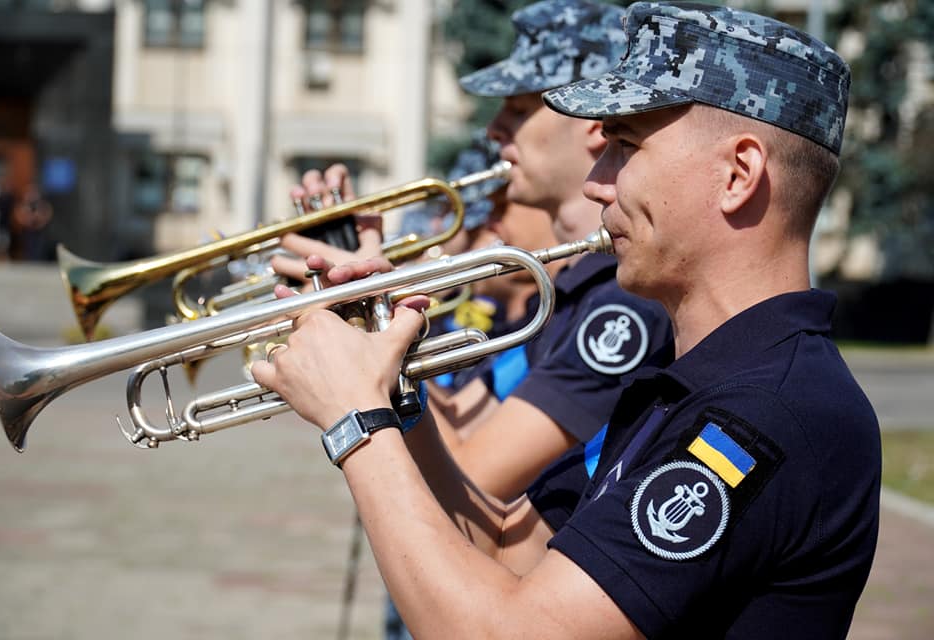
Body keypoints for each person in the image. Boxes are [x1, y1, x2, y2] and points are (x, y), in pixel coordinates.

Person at [251, 2, 881, 638]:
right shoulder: (693, 386)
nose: (596, 184)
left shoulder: (764, 414)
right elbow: (500, 545)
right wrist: (389, 376)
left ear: (738, 174)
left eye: (625, 147)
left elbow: (512, 632)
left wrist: (356, 424)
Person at [273, 0, 673, 502]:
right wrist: (367, 293)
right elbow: (453, 433)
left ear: (592, 121)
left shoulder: (622, 297)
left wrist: (375, 318)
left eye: (520, 108)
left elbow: (469, 483)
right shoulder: (568, 290)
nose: (494, 129)